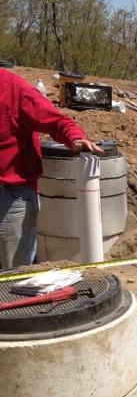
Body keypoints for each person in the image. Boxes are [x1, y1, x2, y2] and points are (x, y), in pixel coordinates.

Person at [0, 68, 103, 269]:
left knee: (14, 276)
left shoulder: (13, 89)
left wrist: (75, 138)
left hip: (11, 197)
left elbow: (57, 121)